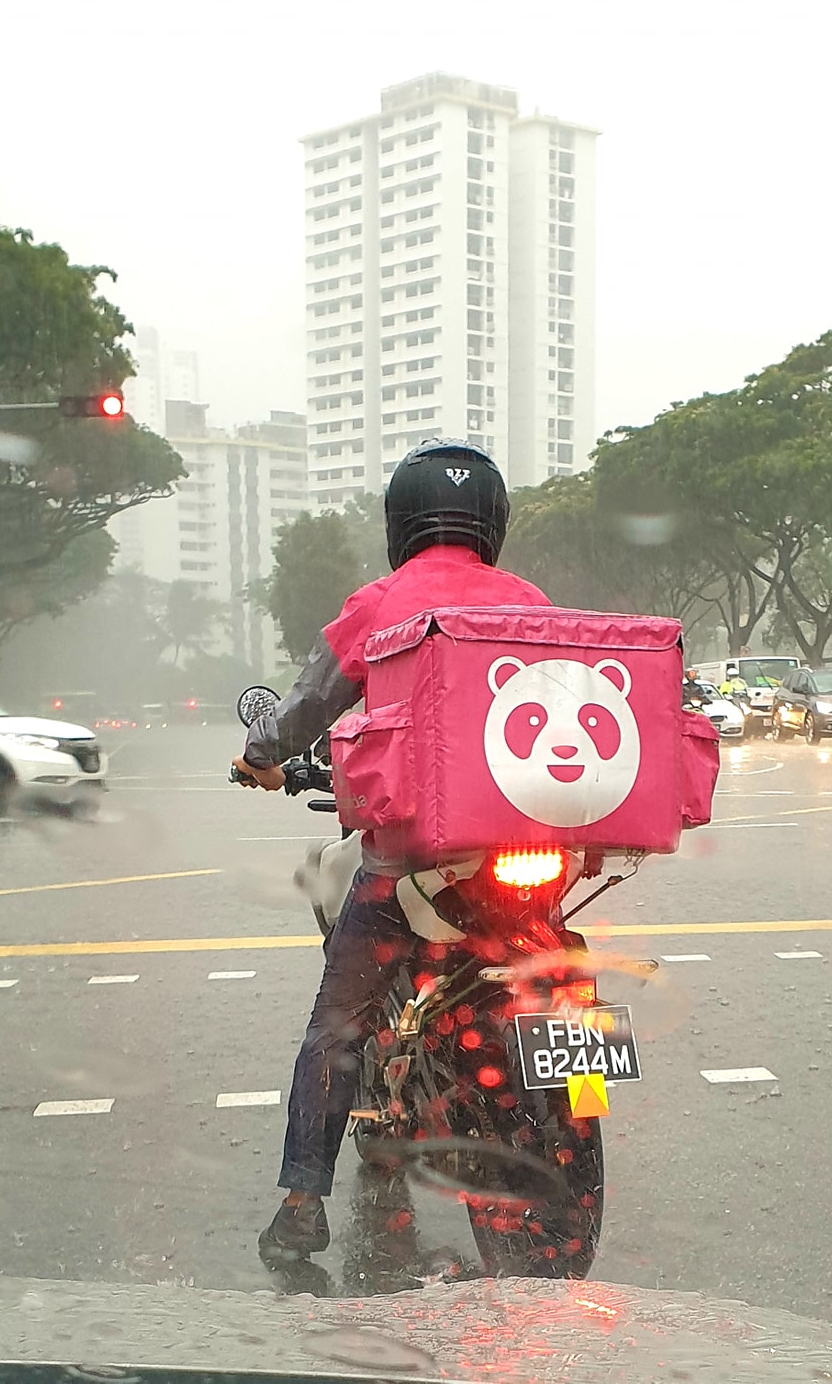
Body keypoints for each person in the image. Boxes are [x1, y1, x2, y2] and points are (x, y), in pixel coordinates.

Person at [234, 439, 548, 1263]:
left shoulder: (380, 602)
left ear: (402, 521)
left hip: (407, 864)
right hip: (530, 857)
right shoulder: (531, 602)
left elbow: (306, 706)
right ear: (493, 522)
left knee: (337, 1024)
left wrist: (259, 756)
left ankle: (303, 1201)